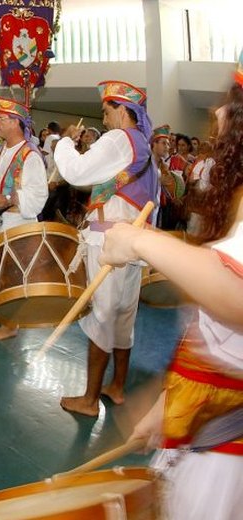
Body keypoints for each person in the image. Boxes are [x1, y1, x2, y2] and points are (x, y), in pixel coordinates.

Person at [100, 58, 243, 518]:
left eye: (232, 107)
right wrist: (167, 406)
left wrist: (139, 239)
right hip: (216, 423)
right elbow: (222, 339)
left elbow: (236, 297)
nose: (219, 116)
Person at [53, 80, 160, 416]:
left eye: (106, 111)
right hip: (133, 242)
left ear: (123, 111)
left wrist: (65, 141)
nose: (103, 119)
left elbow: (75, 171)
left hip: (109, 242)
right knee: (124, 315)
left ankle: (88, 400)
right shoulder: (143, 144)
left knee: (101, 316)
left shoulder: (119, 139)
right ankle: (116, 387)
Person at [0, 96, 48, 341]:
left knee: (11, 273)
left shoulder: (30, 155)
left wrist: (10, 199)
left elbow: (38, 195)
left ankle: (11, 325)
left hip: (18, 222)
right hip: (2, 221)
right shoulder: (5, 148)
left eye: (1, 119)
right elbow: (0, 177)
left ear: (16, 123)